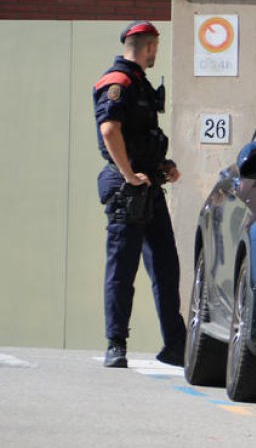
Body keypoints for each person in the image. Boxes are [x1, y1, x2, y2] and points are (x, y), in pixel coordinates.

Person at [93, 20, 187, 368]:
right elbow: (109, 129)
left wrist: (163, 166)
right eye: (155, 49)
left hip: (148, 185)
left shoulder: (140, 84)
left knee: (166, 266)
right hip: (127, 189)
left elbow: (141, 136)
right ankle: (115, 344)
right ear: (148, 47)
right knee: (123, 268)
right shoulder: (118, 82)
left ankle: (176, 345)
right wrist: (128, 174)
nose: (155, 55)